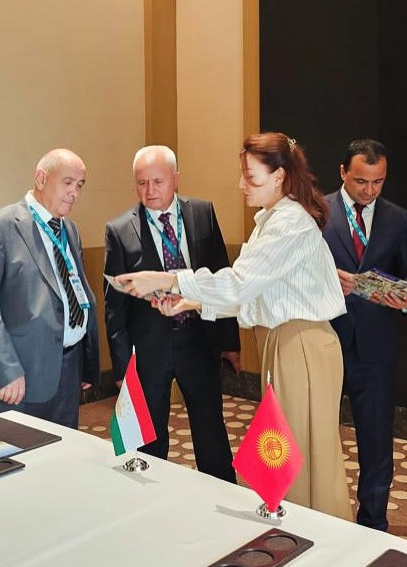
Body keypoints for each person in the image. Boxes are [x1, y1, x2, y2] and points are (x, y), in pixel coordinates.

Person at [116, 133, 352, 520]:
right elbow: (253, 294)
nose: (242, 184)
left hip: (301, 345)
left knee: (304, 455)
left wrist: (166, 280)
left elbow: (238, 283)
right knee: (286, 452)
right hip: (284, 342)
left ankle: (319, 533)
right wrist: (192, 302)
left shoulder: (289, 222)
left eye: (251, 177)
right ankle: (292, 526)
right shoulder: (271, 220)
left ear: (279, 176)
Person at [104, 145, 240, 483]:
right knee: (150, 438)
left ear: (176, 179)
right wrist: (121, 368)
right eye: (142, 183)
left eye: (158, 181)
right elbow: (114, 307)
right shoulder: (119, 229)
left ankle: (221, 492)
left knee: (211, 432)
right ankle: (151, 497)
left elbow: (222, 275)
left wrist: (229, 342)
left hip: (199, 339)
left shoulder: (202, 213)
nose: (150, 190)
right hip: (150, 349)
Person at [321, 139, 407, 531]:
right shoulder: (316, 212)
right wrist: (327, 280)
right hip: (324, 339)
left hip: (375, 347)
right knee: (316, 434)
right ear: (343, 172)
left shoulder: (399, 218)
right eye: (361, 181)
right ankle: (315, 514)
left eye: (378, 182)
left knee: (377, 442)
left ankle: (373, 523)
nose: (369, 190)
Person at [0, 148, 99, 428]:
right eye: (68, 182)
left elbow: (74, 294)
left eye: (80, 185)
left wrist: (85, 362)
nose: (75, 192)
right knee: (18, 453)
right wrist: (7, 370)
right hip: (19, 376)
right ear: (41, 178)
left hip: (68, 371)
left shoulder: (70, 230)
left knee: (63, 452)